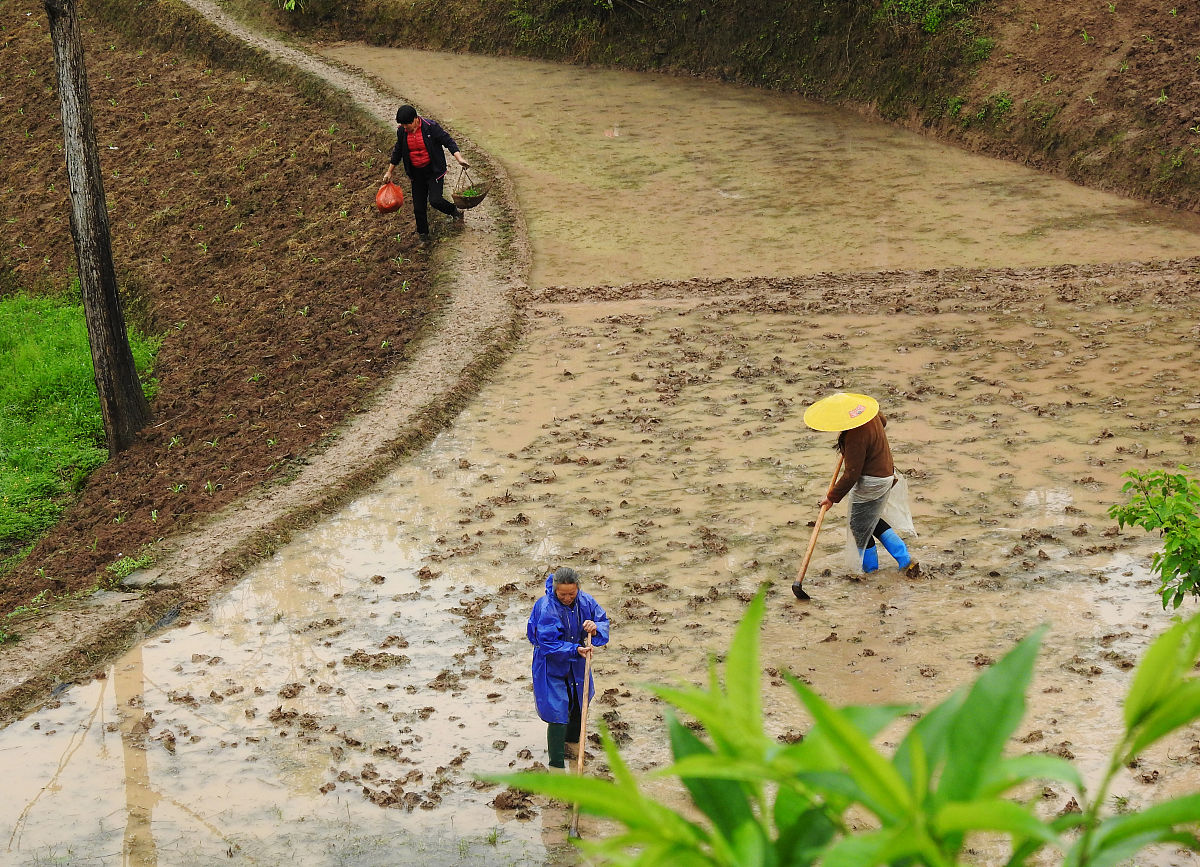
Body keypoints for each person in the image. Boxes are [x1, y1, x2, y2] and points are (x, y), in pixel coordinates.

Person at [804, 392, 920, 579]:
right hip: (886, 474)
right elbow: (883, 421)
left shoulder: (856, 435)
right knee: (871, 521)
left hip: (873, 481)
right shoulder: (870, 415)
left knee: (859, 527)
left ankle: (871, 572)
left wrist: (832, 497)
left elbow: (851, 474)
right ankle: (905, 559)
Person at [527, 566, 609, 772]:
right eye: (562, 594)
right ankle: (556, 764)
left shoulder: (586, 601)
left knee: (578, 701)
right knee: (557, 708)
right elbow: (547, 643)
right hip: (550, 663)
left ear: (578, 589)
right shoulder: (546, 607)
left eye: (571, 594)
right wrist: (575, 649)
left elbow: (602, 620)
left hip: (578, 660)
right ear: (555, 590)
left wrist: (595, 627)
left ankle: (572, 746)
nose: (567, 598)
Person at [381, 104, 470, 245]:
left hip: (433, 170)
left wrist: (459, 158)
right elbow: (398, 151)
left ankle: (454, 211)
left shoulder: (431, 127)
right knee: (418, 208)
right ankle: (424, 236)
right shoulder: (402, 132)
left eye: (407, 124)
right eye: (402, 125)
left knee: (435, 200)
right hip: (416, 173)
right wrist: (389, 171)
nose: (405, 128)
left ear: (415, 119)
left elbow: (448, 141)